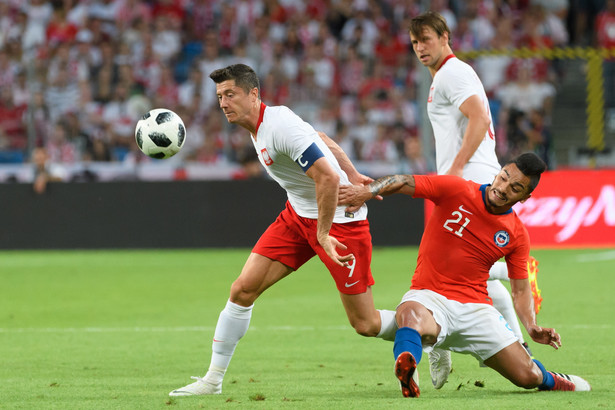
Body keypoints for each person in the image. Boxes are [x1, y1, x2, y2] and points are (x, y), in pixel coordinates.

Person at [169, 63, 397, 396]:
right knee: (242, 290)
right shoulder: (261, 125)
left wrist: (322, 232)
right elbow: (320, 138)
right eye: (220, 96)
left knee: (365, 324)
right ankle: (213, 380)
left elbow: (328, 178)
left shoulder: (279, 127)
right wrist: (354, 170)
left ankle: (427, 331)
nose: (223, 103)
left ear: (253, 94)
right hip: (297, 217)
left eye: (230, 94)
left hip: (340, 224)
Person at [338, 152, 591, 397]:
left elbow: (521, 289)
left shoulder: (516, 234)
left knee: (528, 377)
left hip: (477, 310)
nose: (503, 188)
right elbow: (404, 181)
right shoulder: (457, 189)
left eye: (515, 188)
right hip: (430, 297)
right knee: (410, 314)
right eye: (503, 177)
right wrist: (367, 192)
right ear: (498, 172)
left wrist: (531, 326)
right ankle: (408, 368)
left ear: (525, 197)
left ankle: (554, 379)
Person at [407, 11, 543, 389]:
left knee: (454, 266)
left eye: (427, 39)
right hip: (472, 178)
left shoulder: (453, 73)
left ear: (445, 37)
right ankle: (517, 348)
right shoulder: (445, 77)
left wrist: (455, 170)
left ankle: (440, 344)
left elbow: (481, 118)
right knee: (481, 281)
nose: (420, 48)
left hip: (476, 182)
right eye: (415, 42)